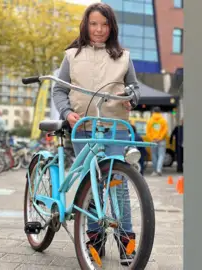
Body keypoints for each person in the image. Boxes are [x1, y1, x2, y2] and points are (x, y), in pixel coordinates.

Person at [51, 3, 140, 266]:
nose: (99, 29)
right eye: (93, 24)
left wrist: (130, 99)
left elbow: (134, 89)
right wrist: (67, 113)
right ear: (86, 25)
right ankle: (94, 238)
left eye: (104, 24)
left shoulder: (123, 55)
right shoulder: (72, 55)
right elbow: (59, 91)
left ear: (111, 26)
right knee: (91, 184)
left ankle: (127, 242)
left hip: (115, 128)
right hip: (83, 127)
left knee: (118, 182)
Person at [146, 106, 168, 176]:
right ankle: (159, 169)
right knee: (161, 155)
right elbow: (165, 130)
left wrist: (152, 138)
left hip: (153, 140)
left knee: (154, 155)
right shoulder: (163, 120)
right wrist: (160, 138)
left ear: (153, 112)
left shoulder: (150, 120)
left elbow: (148, 131)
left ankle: (155, 171)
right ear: (160, 112)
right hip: (161, 140)